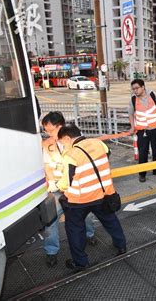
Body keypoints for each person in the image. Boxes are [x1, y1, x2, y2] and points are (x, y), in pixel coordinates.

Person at [57, 124, 127, 271]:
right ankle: (121, 245)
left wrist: (56, 184)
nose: (63, 146)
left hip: (79, 201)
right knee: (110, 221)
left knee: (75, 230)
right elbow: (106, 156)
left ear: (68, 138)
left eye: (63, 142)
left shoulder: (71, 155)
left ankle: (81, 262)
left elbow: (66, 183)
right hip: (102, 195)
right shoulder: (99, 143)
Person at [41, 112, 97, 268]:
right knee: (50, 220)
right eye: (46, 131)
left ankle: (89, 234)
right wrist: (52, 181)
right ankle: (51, 251)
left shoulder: (76, 140)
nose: (48, 134)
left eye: (51, 130)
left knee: (85, 215)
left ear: (61, 127)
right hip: (57, 188)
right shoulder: (47, 144)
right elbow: (47, 165)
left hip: (77, 187)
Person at [128, 78, 156, 183]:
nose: (135, 91)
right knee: (143, 153)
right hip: (142, 131)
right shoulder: (133, 100)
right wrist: (132, 126)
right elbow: (130, 114)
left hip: (155, 129)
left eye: (136, 88)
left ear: (143, 87)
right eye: (133, 89)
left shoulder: (153, 95)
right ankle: (142, 173)